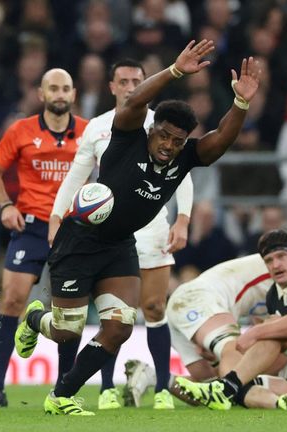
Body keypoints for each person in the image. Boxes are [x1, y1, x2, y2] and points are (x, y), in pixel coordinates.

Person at [13, 40, 261, 415]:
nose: (169, 145)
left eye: (178, 140)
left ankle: (61, 395)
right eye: (164, 135)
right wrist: (174, 71)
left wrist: (240, 103)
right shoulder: (127, 137)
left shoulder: (185, 158)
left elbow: (221, 139)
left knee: (120, 326)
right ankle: (34, 318)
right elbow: (133, 102)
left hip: (119, 247)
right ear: (151, 129)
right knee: (66, 331)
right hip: (79, 241)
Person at [49, 59, 194, 410]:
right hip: (103, 227)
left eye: (137, 80)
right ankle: (105, 389)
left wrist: (183, 219)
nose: (131, 87)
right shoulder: (101, 126)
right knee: (93, 319)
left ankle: (162, 387)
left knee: (152, 307)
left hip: (152, 226)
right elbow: (77, 173)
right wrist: (56, 215)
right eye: (124, 81)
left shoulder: (164, 125)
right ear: (112, 86)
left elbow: (183, 174)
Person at [0, 68, 88, 407]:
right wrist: (5, 205)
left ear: (74, 94)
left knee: (68, 309)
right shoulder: (21, 130)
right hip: (32, 225)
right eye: (53, 88)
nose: (59, 94)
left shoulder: (89, 131)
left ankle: (63, 390)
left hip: (72, 227)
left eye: (65, 88)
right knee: (12, 299)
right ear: (41, 94)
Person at [176, 229, 287, 410]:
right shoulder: (274, 296)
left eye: (281, 256)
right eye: (268, 260)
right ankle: (279, 403)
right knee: (244, 388)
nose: (276, 265)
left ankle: (225, 387)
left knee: (272, 330)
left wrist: (257, 332)